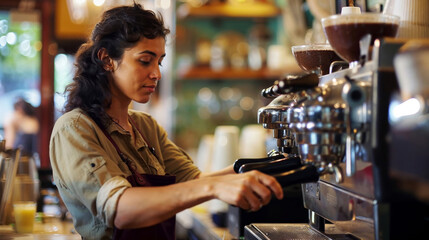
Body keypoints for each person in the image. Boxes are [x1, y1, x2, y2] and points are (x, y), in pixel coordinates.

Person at [49, 3, 283, 240]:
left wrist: (268, 167)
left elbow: (196, 182)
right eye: (145, 61)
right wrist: (214, 188)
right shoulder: (75, 128)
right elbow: (120, 209)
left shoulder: (145, 127)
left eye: (159, 62)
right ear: (107, 59)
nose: (157, 74)